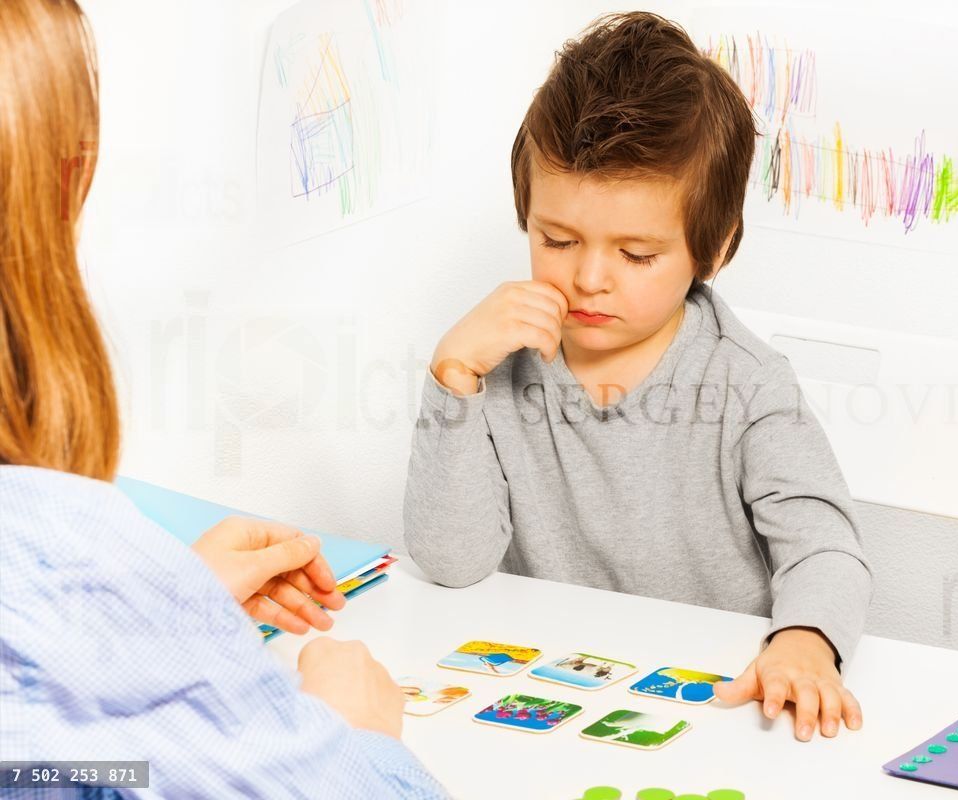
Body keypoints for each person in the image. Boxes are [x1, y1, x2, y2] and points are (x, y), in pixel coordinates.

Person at [0, 1, 446, 796]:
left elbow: (54, 755)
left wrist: (164, 612)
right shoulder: (56, 553)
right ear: (63, 182)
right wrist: (354, 737)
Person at [404, 12, 872, 742]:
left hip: (712, 706)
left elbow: (825, 548)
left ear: (711, 249)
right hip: (548, 699)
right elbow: (453, 562)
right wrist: (454, 375)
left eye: (636, 254)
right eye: (556, 240)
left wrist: (805, 640)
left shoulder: (747, 384)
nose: (589, 278)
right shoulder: (498, 366)